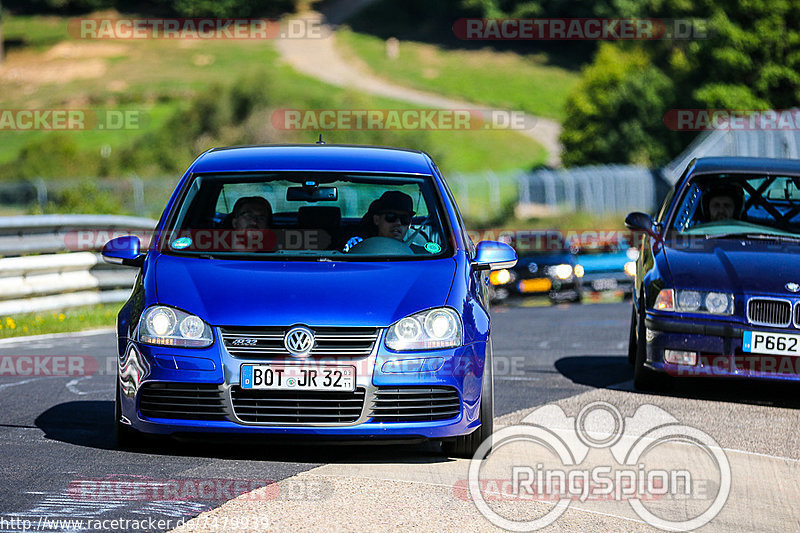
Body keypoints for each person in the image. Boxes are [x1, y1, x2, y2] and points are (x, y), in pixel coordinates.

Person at [343, 191, 416, 252]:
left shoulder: (417, 254)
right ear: (377, 220)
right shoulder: (357, 245)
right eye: (391, 217)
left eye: (405, 219)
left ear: (409, 224)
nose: (398, 223)